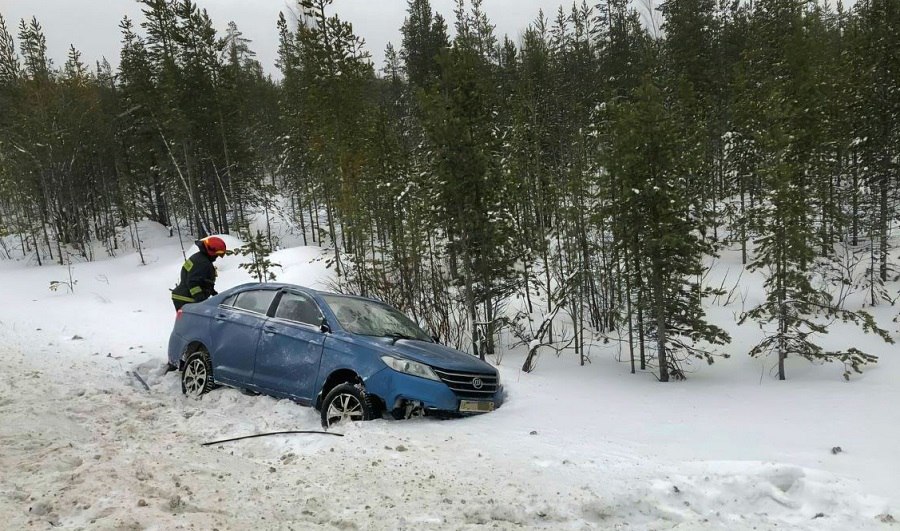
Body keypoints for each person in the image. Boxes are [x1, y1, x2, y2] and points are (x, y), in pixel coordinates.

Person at [171, 236, 227, 310]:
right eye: (217, 254)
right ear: (212, 252)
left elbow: (201, 280)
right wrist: (201, 302)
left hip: (183, 296)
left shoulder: (199, 257)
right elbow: (193, 283)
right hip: (187, 300)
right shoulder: (203, 263)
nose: (217, 257)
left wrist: (213, 293)